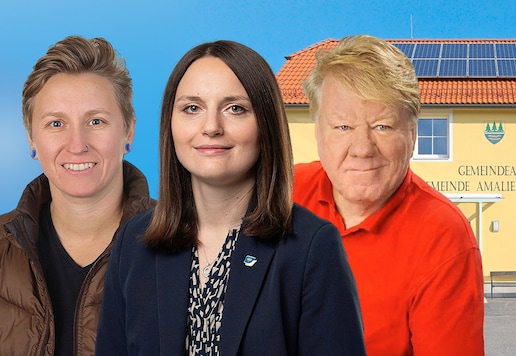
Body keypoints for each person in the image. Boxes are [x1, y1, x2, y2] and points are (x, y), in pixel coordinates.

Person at [95, 40, 365, 355]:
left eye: (235, 108)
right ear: (171, 123)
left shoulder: (311, 248)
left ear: (266, 125)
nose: (211, 127)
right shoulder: (134, 241)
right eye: (192, 108)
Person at [294, 34, 485, 355]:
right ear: (318, 132)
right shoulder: (284, 192)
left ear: (412, 134)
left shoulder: (444, 238)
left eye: (382, 126)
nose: (362, 149)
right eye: (342, 127)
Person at [0, 36, 155, 356]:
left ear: (129, 131)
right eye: (56, 123)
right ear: (31, 138)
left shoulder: (186, 243)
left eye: (95, 121)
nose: (77, 144)